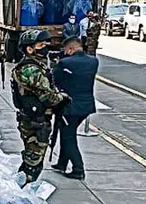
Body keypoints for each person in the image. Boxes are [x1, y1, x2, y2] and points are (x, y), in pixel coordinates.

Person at [10, 29, 68, 183]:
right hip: (34, 122)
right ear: (30, 49)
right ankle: (20, 195)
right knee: (33, 164)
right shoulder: (29, 69)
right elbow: (48, 96)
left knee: (33, 161)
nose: (45, 48)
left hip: (37, 119)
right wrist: (62, 98)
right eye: (41, 45)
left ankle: (21, 192)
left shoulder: (36, 66)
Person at [52, 36, 98, 180]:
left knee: (68, 137)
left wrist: (58, 64)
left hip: (69, 107)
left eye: (66, 50)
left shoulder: (65, 63)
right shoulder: (93, 61)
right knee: (67, 132)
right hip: (86, 106)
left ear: (70, 49)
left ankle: (78, 169)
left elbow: (55, 80)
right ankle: (62, 163)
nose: (65, 53)